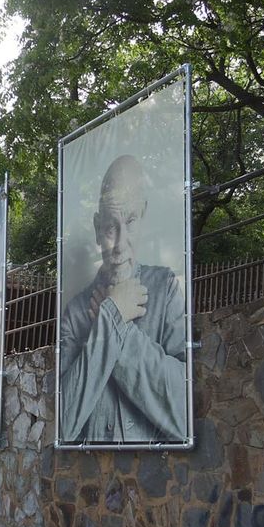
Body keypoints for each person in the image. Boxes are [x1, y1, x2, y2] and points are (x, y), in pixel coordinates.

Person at [58, 154, 188, 444]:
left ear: (143, 215)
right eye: (109, 228)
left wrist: (115, 323)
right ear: (96, 228)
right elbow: (63, 425)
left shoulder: (165, 288)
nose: (118, 245)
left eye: (129, 221)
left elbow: (184, 414)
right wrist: (114, 312)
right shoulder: (77, 311)